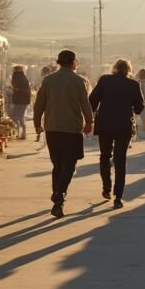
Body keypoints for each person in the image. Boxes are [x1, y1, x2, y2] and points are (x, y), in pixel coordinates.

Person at [33, 49, 94, 218]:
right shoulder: (79, 81)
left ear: (58, 62)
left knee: (58, 165)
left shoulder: (48, 80)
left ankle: (57, 196)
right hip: (71, 129)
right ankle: (59, 196)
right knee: (69, 165)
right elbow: (85, 104)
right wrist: (89, 122)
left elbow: (39, 104)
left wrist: (37, 123)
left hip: (52, 128)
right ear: (74, 62)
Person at [89, 59, 145, 208]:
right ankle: (118, 197)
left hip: (105, 125)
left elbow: (92, 101)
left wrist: (89, 119)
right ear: (128, 70)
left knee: (105, 156)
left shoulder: (104, 80)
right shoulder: (133, 85)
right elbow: (139, 108)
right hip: (124, 126)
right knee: (120, 159)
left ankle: (106, 188)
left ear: (114, 68)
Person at [8, 65, 32, 139]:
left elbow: (15, 86)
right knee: (20, 116)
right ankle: (22, 132)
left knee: (16, 116)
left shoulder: (16, 76)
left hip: (19, 99)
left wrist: (11, 88)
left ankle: (19, 132)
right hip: (24, 99)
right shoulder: (23, 76)